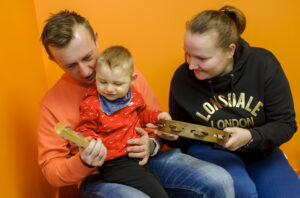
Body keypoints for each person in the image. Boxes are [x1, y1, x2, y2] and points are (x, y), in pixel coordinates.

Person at [38, 10, 234, 198]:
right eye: (71, 65)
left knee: (219, 180)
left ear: (96, 39)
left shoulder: (128, 75)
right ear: (54, 60)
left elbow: (154, 123)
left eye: (88, 57)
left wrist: (152, 144)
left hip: (146, 160)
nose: (85, 71)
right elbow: (52, 171)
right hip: (100, 176)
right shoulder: (51, 104)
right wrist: (83, 161)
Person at [157, 5, 300, 198]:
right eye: (187, 53)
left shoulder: (263, 65)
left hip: (260, 150)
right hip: (209, 151)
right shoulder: (183, 78)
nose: (191, 65)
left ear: (230, 51)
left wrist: (251, 136)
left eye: (202, 58)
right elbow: (184, 138)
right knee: (243, 192)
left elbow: (286, 124)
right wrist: (171, 134)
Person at [76, 45, 170, 198]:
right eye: (102, 82)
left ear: (132, 80)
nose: (109, 89)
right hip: (114, 162)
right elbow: (85, 127)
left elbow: (142, 116)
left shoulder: (133, 97)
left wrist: (158, 117)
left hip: (136, 158)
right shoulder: (92, 103)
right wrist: (89, 141)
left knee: (157, 188)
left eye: (117, 84)